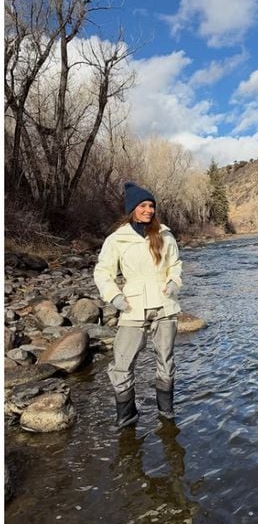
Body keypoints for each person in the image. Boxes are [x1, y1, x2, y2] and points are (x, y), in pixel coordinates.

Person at [94, 182, 183, 428]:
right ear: (132, 208)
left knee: (166, 359)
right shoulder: (116, 239)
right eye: (143, 205)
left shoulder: (165, 234)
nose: (148, 210)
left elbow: (175, 264)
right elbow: (102, 272)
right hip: (131, 306)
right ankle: (127, 416)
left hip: (165, 304)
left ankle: (166, 413)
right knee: (122, 363)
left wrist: (175, 282)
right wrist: (115, 297)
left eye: (151, 205)